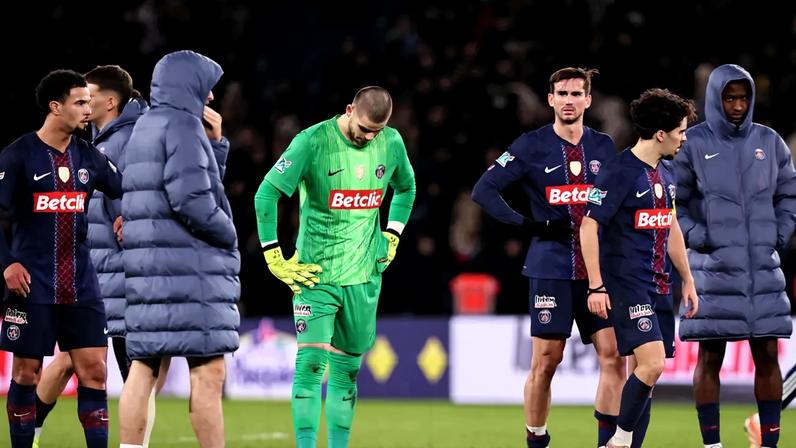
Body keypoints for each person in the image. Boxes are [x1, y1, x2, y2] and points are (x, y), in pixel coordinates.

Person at [254, 85, 416, 448]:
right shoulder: (311, 142)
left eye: (376, 131)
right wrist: (272, 255)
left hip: (364, 276)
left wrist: (393, 233)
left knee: (348, 373)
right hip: (315, 274)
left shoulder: (391, 142)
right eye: (363, 129)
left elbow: (406, 188)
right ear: (348, 110)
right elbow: (267, 193)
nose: (368, 137)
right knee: (310, 366)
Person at [471, 67, 625, 448]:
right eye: (562, 93)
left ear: (588, 100)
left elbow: (619, 202)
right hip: (551, 269)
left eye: (576, 94)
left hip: (597, 275)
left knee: (613, 357)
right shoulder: (530, 145)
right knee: (546, 363)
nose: (569, 100)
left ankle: (607, 443)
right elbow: (484, 190)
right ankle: (537, 441)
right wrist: (528, 225)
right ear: (550, 100)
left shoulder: (605, 147)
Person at [117, 50, 238, 448]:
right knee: (208, 373)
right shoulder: (183, 125)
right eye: (206, 87)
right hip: (188, 270)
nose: (211, 98)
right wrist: (228, 233)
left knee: (145, 368)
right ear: (188, 84)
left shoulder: (146, 125)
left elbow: (179, 185)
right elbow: (192, 198)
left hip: (149, 268)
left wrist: (216, 147)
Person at [673, 64, 796, 448]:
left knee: (768, 357)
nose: (738, 105)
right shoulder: (691, 144)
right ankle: (712, 444)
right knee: (709, 359)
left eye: (743, 98)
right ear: (715, 99)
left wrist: (776, 236)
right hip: (713, 270)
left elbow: (788, 195)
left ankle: (769, 441)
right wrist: (700, 238)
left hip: (762, 270)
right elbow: (675, 203)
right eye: (730, 98)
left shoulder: (770, 141)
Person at [0, 69, 123, 448]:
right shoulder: (19, 155)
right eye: (80, 102)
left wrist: (119, 211)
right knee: (25, 372)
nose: (89, 109)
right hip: (32, 284)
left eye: (90, 101)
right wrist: (7, 262)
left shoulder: (90, 157)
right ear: (56, 107)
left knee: (95, 373)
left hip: (81, 285)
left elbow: (123, 187)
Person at [581, 87, 699, 448]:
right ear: (661, 134)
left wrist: (688, 280)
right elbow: (589, 225)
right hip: (627, 282)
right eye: (680, 131)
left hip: (660, 285)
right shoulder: (619, 171)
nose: (684, 138)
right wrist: (597, 285)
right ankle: (617, 440)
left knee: (644, 378)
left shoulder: (666, 174)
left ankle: (628, 445)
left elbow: (672, 226)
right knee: (652, 366)